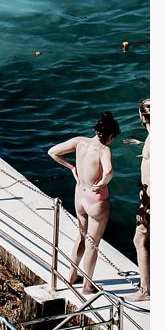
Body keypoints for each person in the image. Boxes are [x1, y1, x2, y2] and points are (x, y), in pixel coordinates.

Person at [48, 113, 121, 296]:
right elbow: (110, 171)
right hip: (96, 200)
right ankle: (87, 286)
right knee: (92, 244)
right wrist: (104, 181)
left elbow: (53, 152)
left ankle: (72, 276)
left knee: (80, 236)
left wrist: (72, 167)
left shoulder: (79, 142)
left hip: (80, 195)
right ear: (110, 135)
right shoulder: (104, 150)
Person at [133, 97, 151, 300]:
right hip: (148, 196)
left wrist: (144, 205)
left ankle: (145, 290)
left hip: (150, 200)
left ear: (142, 117)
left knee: (140, 239)